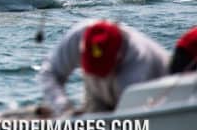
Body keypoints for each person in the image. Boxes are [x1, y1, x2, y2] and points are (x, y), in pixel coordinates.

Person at [37, 19, 169, 116]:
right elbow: (48, 73)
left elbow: (132, 122)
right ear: (82, 48)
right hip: (101, 97)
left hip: (151, 104)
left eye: (101, 70)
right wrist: (63, 107)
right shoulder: (79, 36)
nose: (98, 76)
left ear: (119, 56)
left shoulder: (139, 62)